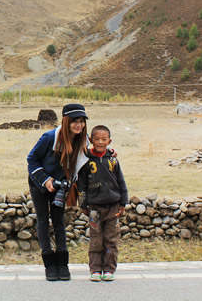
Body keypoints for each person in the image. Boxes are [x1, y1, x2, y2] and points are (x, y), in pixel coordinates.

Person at [27, 103, 89, 281]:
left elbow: (96, 150)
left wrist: (110, 153)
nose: (79, 125)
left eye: (82, 121)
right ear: (66, 121)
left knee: (59, 221)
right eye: (75, 121)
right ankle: (49, 264)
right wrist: (46, 180)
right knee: (43, 221)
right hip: (40, 183)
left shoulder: (82, 140)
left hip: (60, 186)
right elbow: (31, 159)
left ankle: (62, 264)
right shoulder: (49, 137)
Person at [77, 124, 128, 282]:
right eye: (97, 139)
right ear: (91, 140)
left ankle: (109, 269)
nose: (100, 142)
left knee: (111, 240)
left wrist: (123, 203)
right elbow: (81, 185)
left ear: (109, 141)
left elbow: (121, 182)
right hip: (94, 208)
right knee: (96, 240)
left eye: (104, 139)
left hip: (113, 207)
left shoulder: (113, 160)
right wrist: (83, 205)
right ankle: (95, 270)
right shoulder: (86, 160)